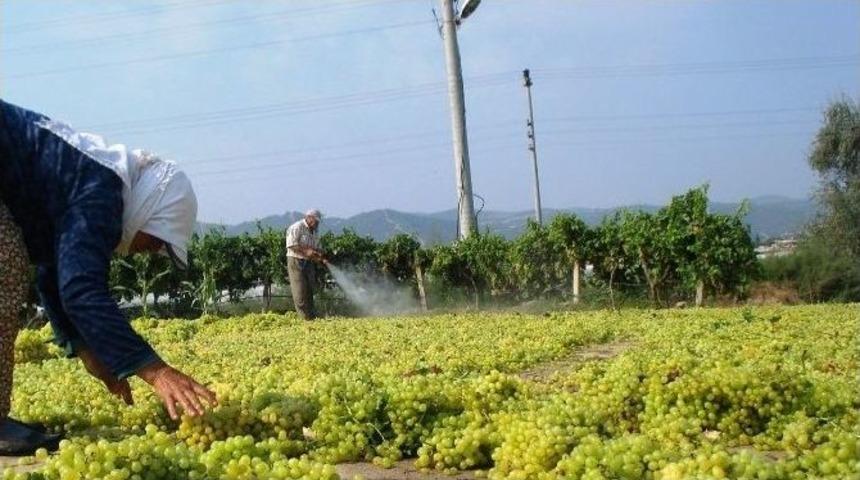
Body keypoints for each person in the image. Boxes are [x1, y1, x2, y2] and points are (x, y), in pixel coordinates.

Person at [0, 100, 216, 455]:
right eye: (157, 241)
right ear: (151, 212)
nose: (148, 251)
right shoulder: (101, 189)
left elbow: (53, 276)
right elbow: (81, 291)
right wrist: (155, 371)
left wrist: (85, 350)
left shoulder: (92, 184)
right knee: (4, 267)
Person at [285, 209, 327, 320]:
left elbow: (316, 247)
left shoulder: (314, 231)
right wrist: (307, 251)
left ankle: (311, 316)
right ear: (308, 217)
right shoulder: (296, 227)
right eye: (315, 221)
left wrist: (319, 255)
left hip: (308, 262)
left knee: (309, 291)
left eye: (318, 221)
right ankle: (304, 319)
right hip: (296, 261)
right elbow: (291, 245)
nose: (317, 223)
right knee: (299, 291)